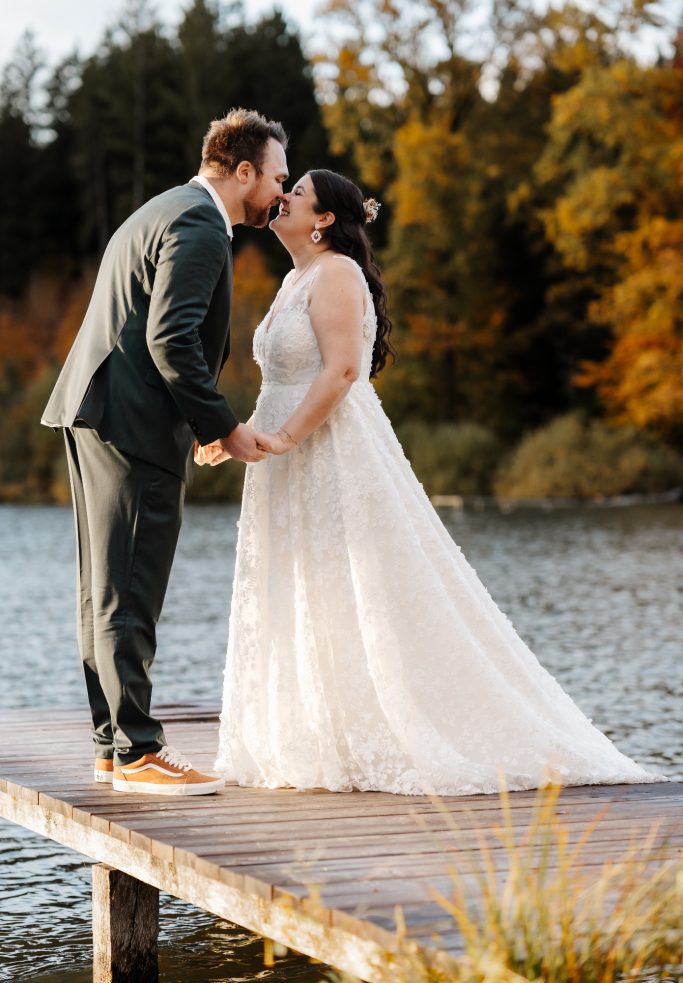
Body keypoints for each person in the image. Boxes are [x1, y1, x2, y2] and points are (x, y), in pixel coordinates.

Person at [211, 168, 667, 795]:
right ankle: (319, 736)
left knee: (365, 589)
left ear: (322, 221)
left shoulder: (337, 272)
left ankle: (410, 729)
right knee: (308, 586)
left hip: (330, 450)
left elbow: (344, 371)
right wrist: (236, 438)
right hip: (284, 457)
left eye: (298, 194)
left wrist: (286, 438)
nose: (282, 199)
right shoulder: (295, 278)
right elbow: (286, 378)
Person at [42, 108, 288, 796]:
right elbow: (171, 340)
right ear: (243, 171)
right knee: (130, 589)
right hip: (133, 424)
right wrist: (223, 427)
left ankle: (111, 744)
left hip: (98, 410)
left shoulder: (165, 207)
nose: (279, 192)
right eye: (277, 177)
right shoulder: (201, 224)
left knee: (103, 586)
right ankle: (139, 751)